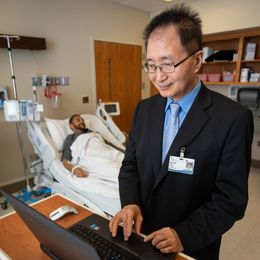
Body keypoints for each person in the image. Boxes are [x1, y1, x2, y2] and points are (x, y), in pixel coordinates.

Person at [109, 5, 254, 260]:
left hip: (190, 248)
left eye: (167, 64)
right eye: (151, 66)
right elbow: (130, 166)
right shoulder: (144, 110)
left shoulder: (232, 119)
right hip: (141, 238)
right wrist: (130, 202)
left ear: (197, 60)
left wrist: (183, 235)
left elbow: (230, 200)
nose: (158, 77)